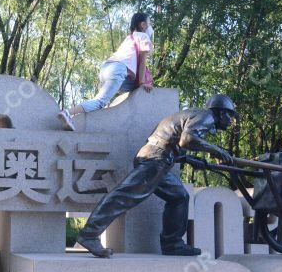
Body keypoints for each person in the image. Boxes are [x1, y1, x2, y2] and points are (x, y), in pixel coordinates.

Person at [75, 94, 237, 258]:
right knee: (123, 195)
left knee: (179, 197)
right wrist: (218, 151)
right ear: (221, 112)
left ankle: (172, 245)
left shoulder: (192, 114)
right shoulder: (207, 116)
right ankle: (89, 234)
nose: (231, 120)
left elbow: (173, 142)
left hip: (158, 158)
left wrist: (189, 159)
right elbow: (187, 140)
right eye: (230, 115)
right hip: (156, 160)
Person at [58, 12, 153, 131]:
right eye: (150, 23)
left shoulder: (129, 38)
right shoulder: (144, 37)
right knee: (99, 101)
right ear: (143, 25)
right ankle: (68, 113)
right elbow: (142, 62)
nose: (151, 27)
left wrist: (139, 85)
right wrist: (143, 83)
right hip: (118, 69)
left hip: (106, 68)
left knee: (108, 98)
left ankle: (91, 116)